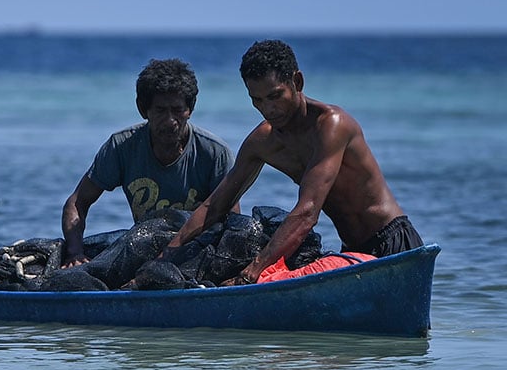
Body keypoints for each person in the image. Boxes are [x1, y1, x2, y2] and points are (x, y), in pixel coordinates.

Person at [160, 39, 423, 285]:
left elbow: (307, 213)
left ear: (297, 82)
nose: (268, 109)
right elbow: (216, 206)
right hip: (352, 250)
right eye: (257, 100)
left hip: (392, 240)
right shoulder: (263, 142)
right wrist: (168, 254)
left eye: (275, 96)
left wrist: (254, 269)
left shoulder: (331, 126)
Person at [61, 58, 235, 267]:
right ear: (144, 110)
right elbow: (77, 203)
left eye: (177, 110)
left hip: (197, 254)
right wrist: (75, 253)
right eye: (161, 111)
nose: (170, 121)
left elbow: (233, 222)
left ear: (190, 109)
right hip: (146, 250)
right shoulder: (122, 147)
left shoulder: (214, 153)